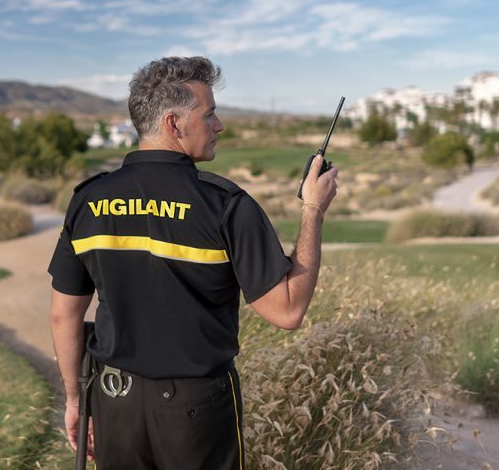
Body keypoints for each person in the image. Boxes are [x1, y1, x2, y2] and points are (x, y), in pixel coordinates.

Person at [49, 56, 337, 470]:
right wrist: (313, 210)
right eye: (210, 114)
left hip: (113, 402)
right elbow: (288, 311)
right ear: (174, 124)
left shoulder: (88, 200)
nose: (219, 126)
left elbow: (63, 315)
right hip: (195, 412)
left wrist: (76, 401)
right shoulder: (225, 205)